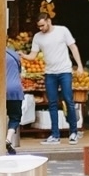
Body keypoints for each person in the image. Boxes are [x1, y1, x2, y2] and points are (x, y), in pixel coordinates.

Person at [30, 13, 83, 144]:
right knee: (52, 103)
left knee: (68, 100)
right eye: (39, 26)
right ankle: (55, 135)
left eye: (42, 25)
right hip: (49, 73)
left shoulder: (62, 30)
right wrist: (20, 55)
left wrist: (80, 66)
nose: (41, 28)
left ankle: (73, 132)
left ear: (49, 21)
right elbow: (33, 55)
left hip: (65, 71)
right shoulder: (37, 37)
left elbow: (73, 47)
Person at [4, 45, 25, 155]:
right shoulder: (14, 54)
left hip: (1, 89)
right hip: (15, 89)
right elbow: (19, 72)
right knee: (15, 116)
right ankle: (8, 138)